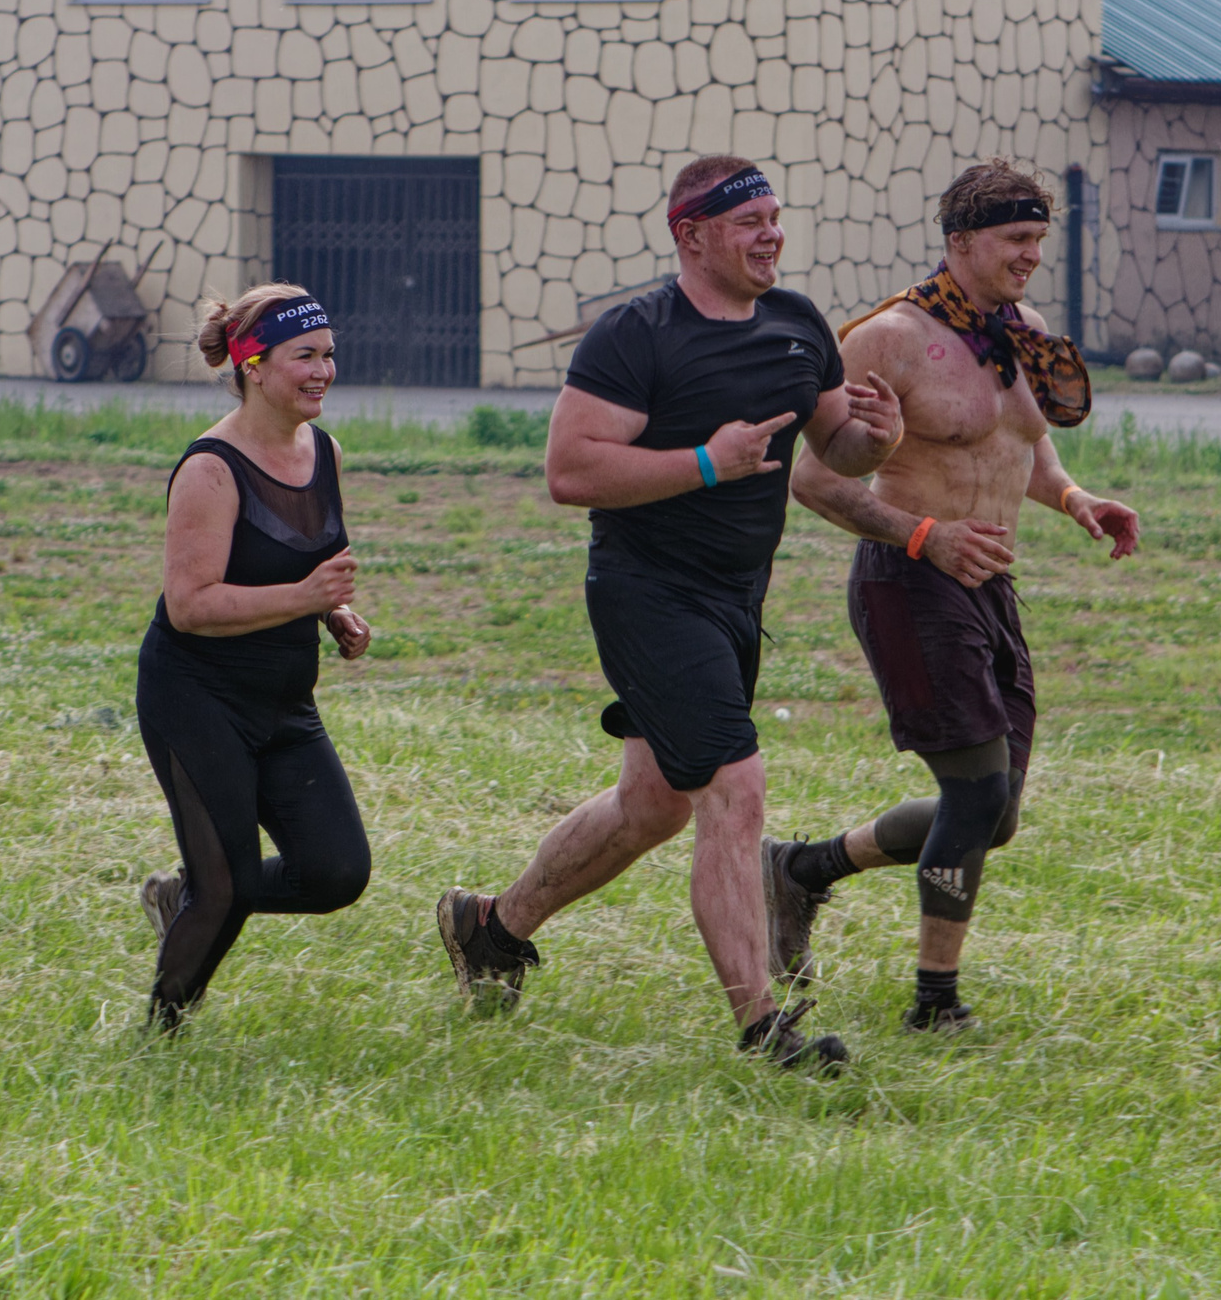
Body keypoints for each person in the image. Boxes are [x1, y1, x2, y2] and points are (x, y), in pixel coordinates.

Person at [436, 156, 902, 1072]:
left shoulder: (798, 322)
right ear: (691, 235)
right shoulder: (634, 335)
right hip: (647, 593)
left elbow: (834, 445)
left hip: (737, 598)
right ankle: (766, 1032)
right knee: (735, 790)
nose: (772, 233)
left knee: (650, 804)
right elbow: (571, 471)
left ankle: (491, 928)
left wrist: (874, 441)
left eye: (776, 216)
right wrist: (702, 464)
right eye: (749, 222)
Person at [770, 162, 1140, 1034]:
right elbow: (814, 482)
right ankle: (935, 1002)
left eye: (1039, 239)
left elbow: (1027, 448)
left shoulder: (1021, 330)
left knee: (995, 813)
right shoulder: (887, 340)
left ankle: (801, 868)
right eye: (1016, 240)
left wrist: (1076, 498)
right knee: (975, 796)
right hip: (910, 581)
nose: (1032, 256)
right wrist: (922, 535)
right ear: (962, 241)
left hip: (990, 585)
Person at [135, 284, 373, 1031]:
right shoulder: (210, 468)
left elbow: (297, 565)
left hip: (282, 702)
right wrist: (306, 596)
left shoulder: (323, 451)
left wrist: (332, 611)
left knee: (337, 871)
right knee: (229, 885)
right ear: (253, 365)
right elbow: (191, 605)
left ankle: (190, 896)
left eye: (329, 355)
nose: (323, 371)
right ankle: (159, 1038)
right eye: (305, 356)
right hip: (196, 698)